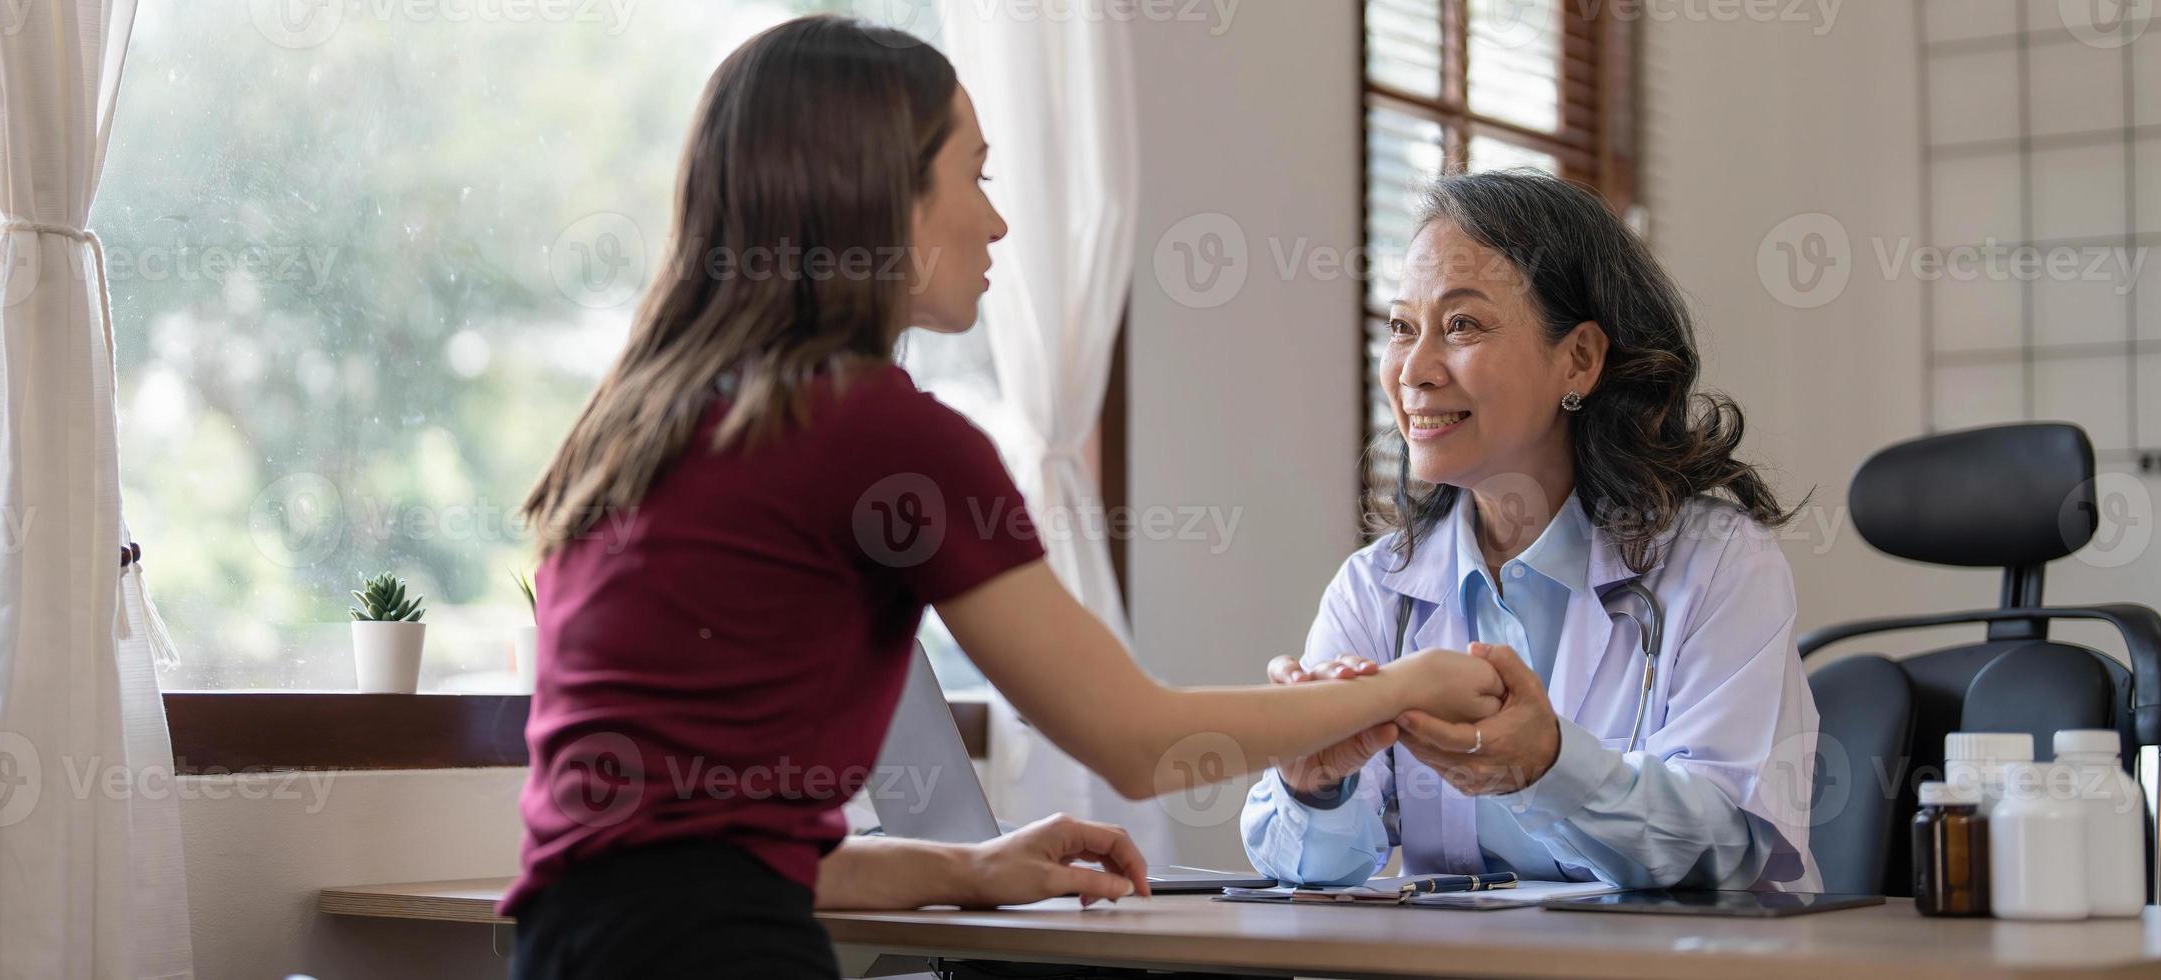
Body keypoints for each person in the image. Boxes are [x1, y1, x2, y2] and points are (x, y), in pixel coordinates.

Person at [500, 17, 1510, 979]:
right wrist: (1402, 686)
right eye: (972, 176)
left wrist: (965, 868)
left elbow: (702, 848)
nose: (997, 218)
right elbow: (1134, 737)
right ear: (878, 195)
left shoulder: (634, 429)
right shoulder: (882, 436)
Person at [1243, 169, 1822, 893]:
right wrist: (1312, 786)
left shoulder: (1718, 566)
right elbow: (1315, 868)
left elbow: (1727, 850)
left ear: (1578, 358)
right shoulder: (1377, 587)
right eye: (1400, 328)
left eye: (1461, 326)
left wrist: (1551, 767)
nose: (1413, 371)